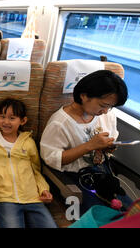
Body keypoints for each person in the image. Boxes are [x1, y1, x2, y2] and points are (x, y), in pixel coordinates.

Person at [40, 70, 132, 214]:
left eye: (110, 107)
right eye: (103, 105)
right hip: (75, 178)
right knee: (102, 217)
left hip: (103, 175)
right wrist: (90, 145)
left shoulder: (106, 116)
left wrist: (108, 147)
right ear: (84, 96)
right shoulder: (60, 123)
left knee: (132, 214)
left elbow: (111, 138)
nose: (106, 111)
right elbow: (51, 159)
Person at [0, 98, 57, 228]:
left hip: (33, 198)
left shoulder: (28, 142)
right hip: (5, 199)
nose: (6, 122)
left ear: (23, 121)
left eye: (12, 118)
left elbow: (36, 170)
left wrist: (44, 189)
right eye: (2, 117)